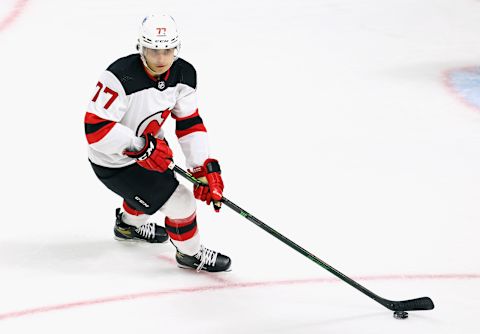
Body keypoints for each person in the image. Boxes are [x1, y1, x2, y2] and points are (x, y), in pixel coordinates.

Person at [84, 14, 231, 272]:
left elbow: (189, 122)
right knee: (181, 201)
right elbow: (96, 129)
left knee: (153, 192)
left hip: (151, 150)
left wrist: (201, 168)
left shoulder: (185, 74)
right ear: (140, 47)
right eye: (153, 50)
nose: (161, 59)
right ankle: (190, 254)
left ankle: (128, 226)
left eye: (167, 50)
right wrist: (140, 147)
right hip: (114, 161)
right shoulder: (119, 77)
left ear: (177, 47)